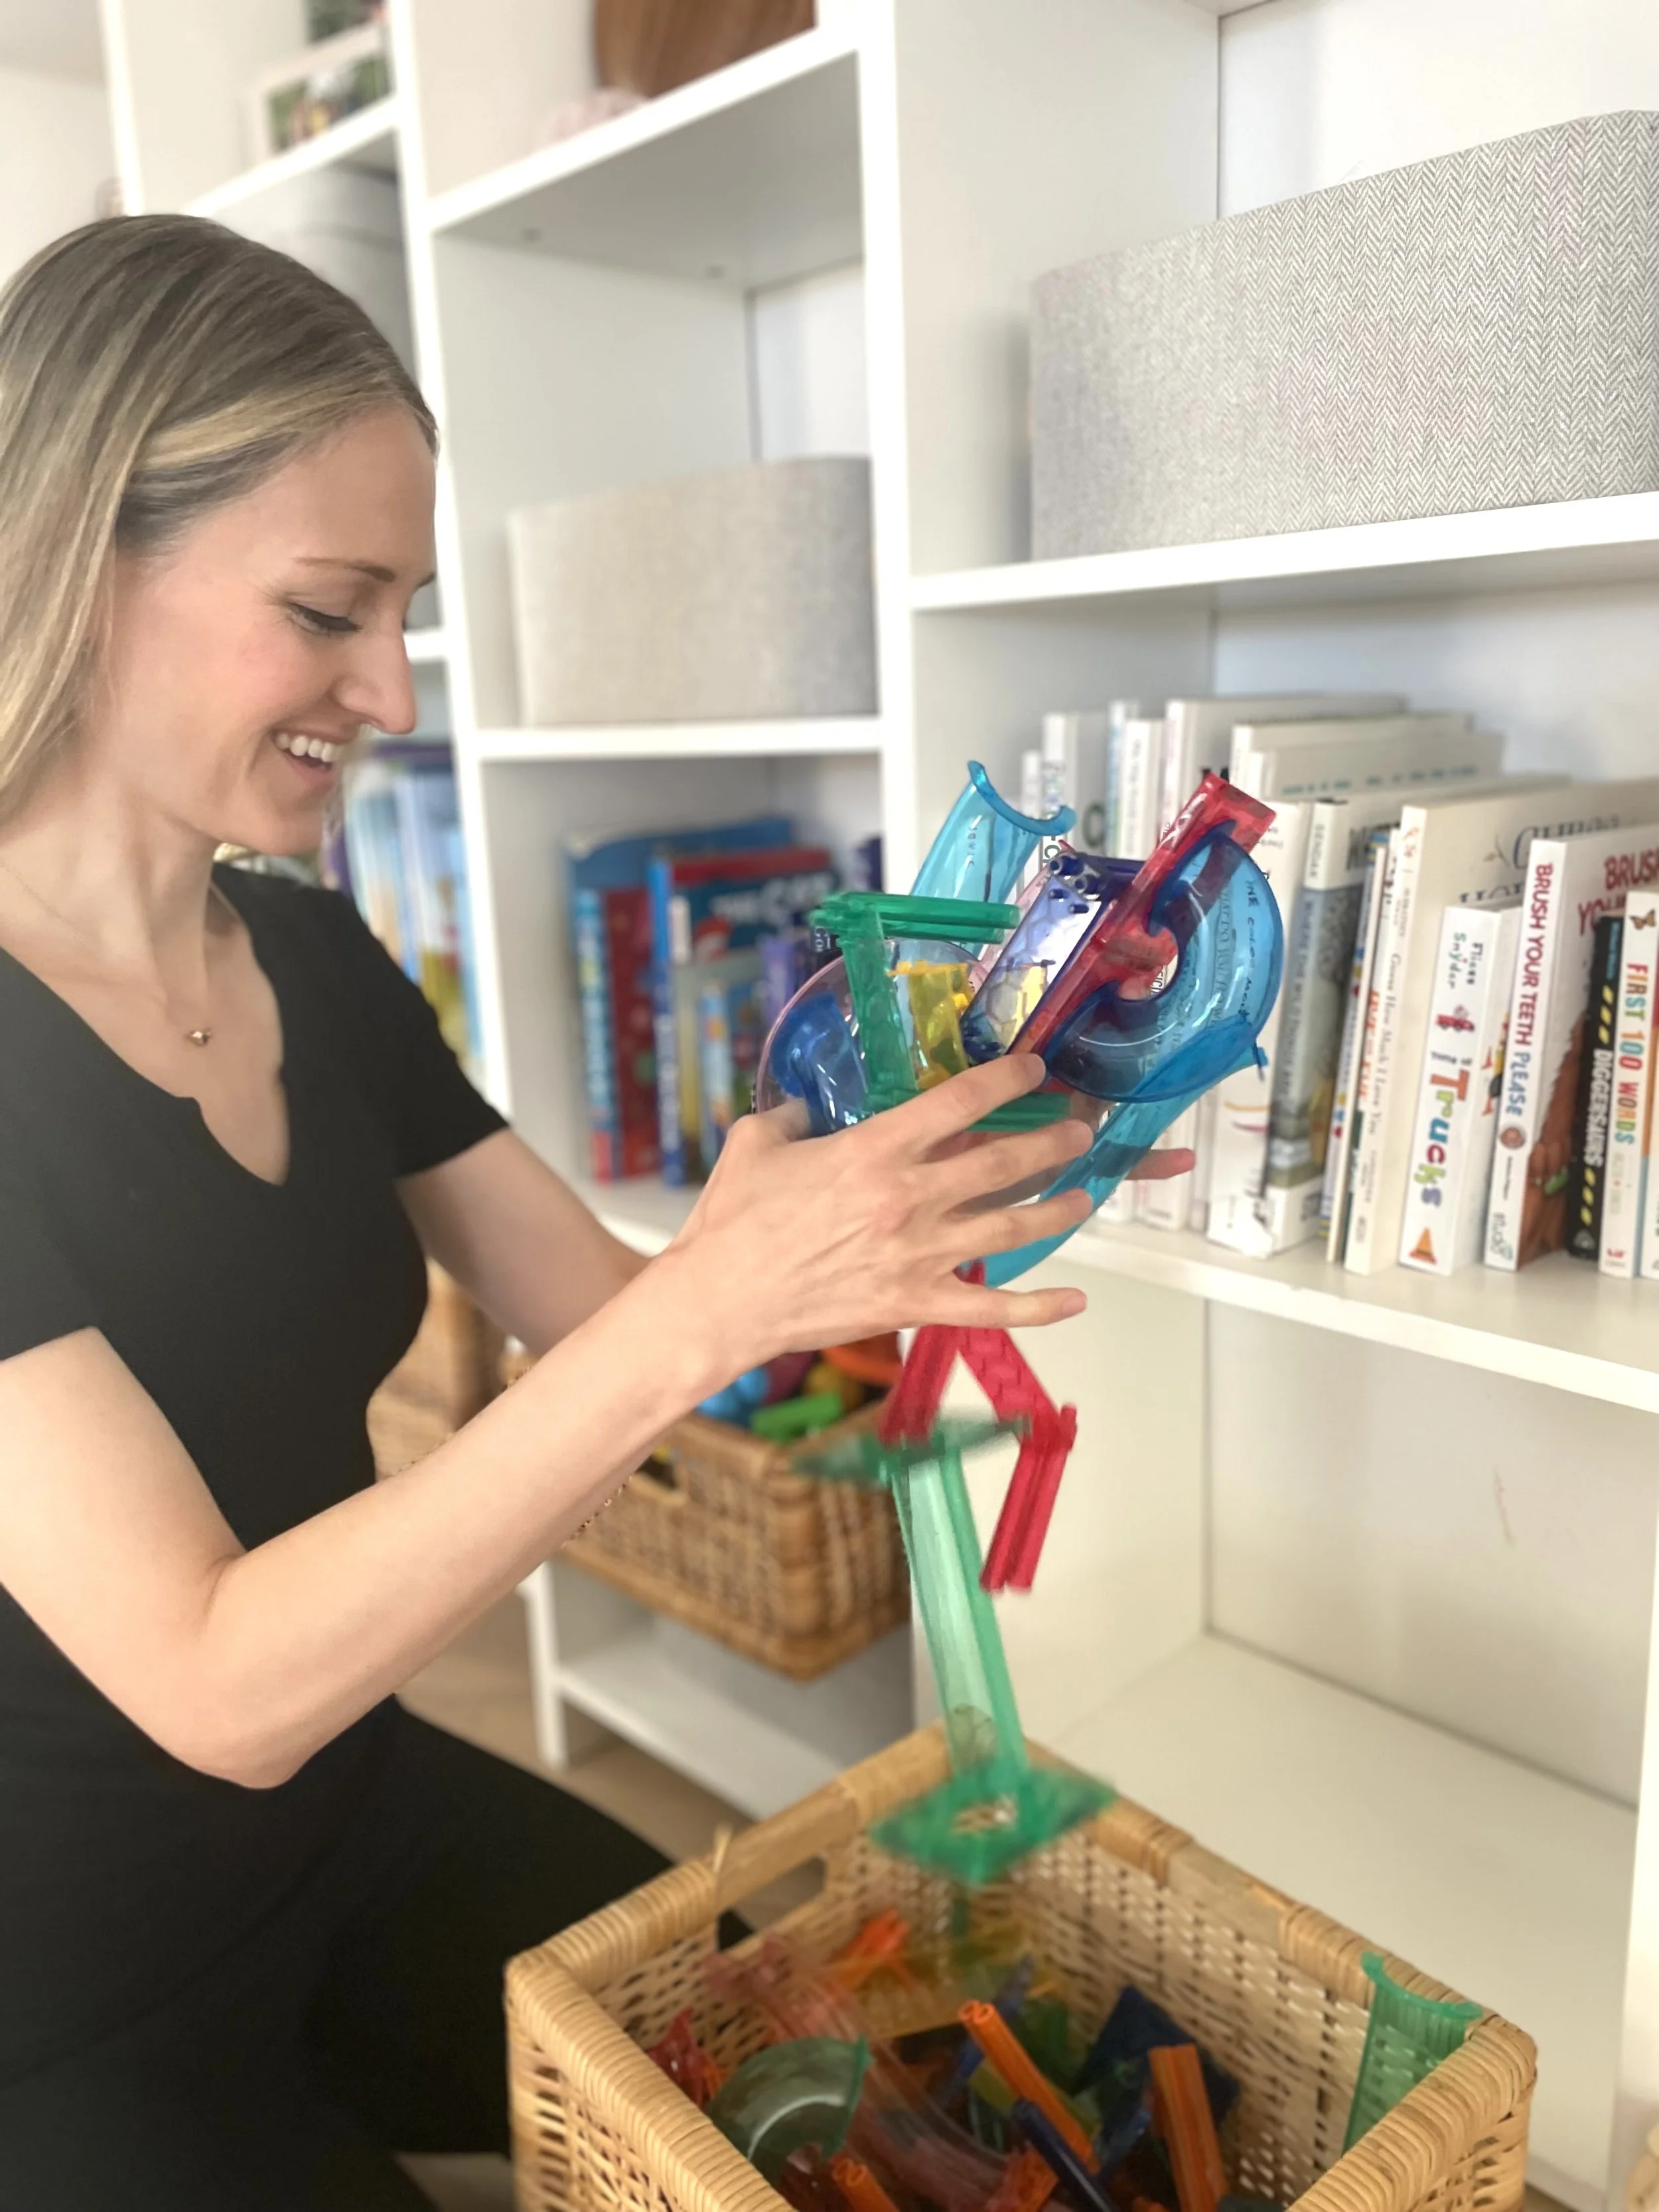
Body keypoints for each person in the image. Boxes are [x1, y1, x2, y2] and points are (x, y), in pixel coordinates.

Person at [0, 215, 1180, 2211]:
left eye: (406, 611)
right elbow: (216, 1678)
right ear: (81, 553)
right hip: (60, 1963)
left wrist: (930, 1177)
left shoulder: (309, 956)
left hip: (343, 1809)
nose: (388, 683)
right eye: (328, 606)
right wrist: (701, 1310)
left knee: (831, 2098)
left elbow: (598, 1307)